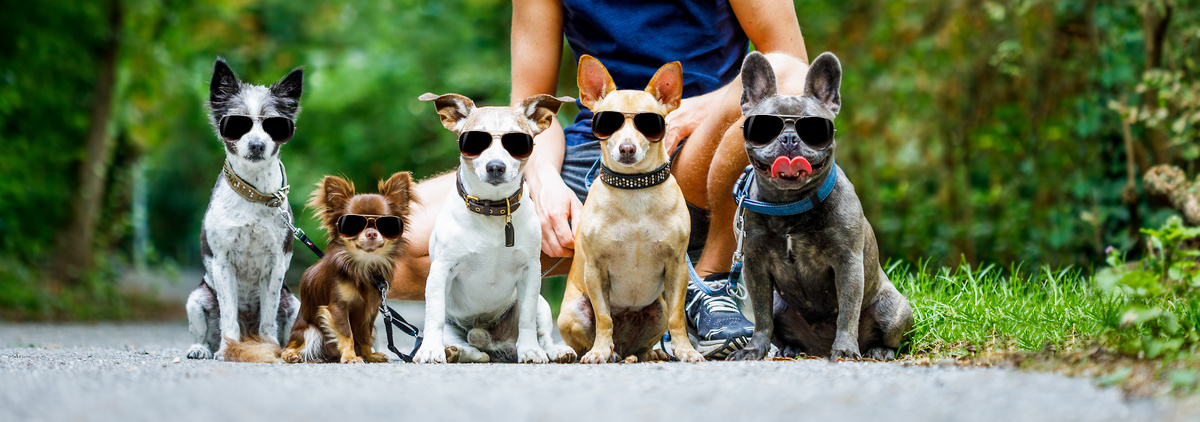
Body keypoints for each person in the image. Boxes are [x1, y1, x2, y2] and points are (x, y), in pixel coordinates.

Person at [392, 0, 811, 359]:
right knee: (398, 242)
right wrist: (542, 178)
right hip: (594, 152)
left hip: (700, 144)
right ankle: (486, 334)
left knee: (785, 76)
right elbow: (530, 102)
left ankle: (712, 279)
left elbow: (791, 61)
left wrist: (692, 114)